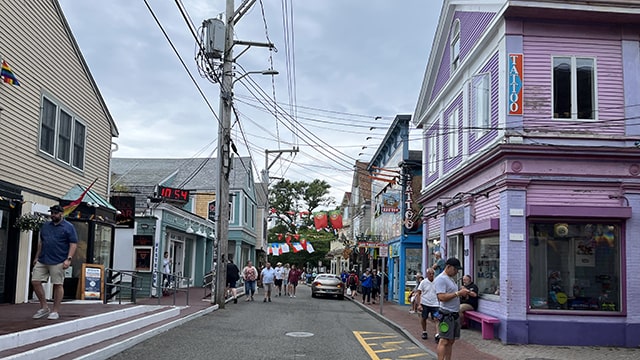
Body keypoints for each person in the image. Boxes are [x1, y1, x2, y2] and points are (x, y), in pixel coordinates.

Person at [31, 205, 78, 320]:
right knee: (35, 281)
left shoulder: (68, 227)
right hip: (43, 259)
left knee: (57, 284)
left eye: (55, 213)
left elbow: (73, 244)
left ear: (61, 214)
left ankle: (55, 311)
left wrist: (69, 258)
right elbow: (42, 242)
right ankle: (44, 307)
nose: (53, 215)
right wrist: (37, 256)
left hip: (59, 260)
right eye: (52, 213)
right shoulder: (46, 226)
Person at [434, 257, 470, 360]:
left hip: (453, 313)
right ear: (448, 267)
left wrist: (461, 292)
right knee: (444, 340)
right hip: (446, 313)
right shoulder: (441, 279)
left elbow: (451, 294)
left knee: (451, 340)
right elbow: (441, 297)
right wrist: (458, 293)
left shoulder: (450, 279)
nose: (456, 272)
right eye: (455, 269)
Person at [416, 268, 439, 340]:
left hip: (435, 304)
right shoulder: (423, 282)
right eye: (430, 274)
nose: (432, 275)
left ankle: (437, 334)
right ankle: (424, 331)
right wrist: (419, 304)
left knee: (437, 318)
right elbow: (418, 293)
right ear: (427, 274)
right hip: (425, 303)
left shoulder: (437, 282)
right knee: (424, 318)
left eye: (433, 274)